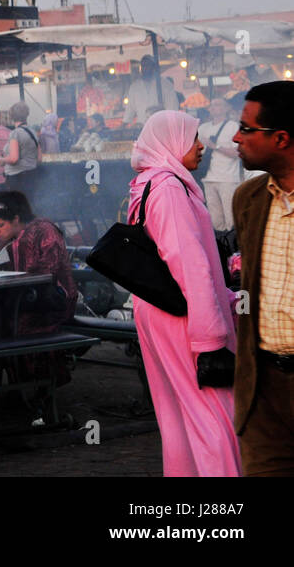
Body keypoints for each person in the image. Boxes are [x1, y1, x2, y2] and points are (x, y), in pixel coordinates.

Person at [126, 110, 241, 477]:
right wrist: (211, 337)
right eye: (193, 138)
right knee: (213, 412)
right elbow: (188, 264)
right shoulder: (170, 188)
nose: (202, 145)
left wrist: (225, 296)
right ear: (172, 142)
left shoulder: (148, 182)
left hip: (156, 308)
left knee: (176, 412)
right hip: (182, 315)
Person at [231, 81, 294, 476]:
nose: (236, 137)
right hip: (264, 388)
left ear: (282, 138)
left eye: (247, 129)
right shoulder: (249, 199)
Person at [0, 190, 78, 336]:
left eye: (0, 225)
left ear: (16, 219)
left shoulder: (45, 232)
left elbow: (47, 273)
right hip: (17, 299)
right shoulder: (1, 238)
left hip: (48, 303)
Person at [197, 97, 243, 234]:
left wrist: (215, 146)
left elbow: (238, 152)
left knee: (232, 219)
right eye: (211, 105)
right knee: (215, 220)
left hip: (227, 179)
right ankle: (223, 248)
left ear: (226, 108)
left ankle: (235, 251)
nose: (213, 108)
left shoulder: (233, 126)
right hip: (208, 178)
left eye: (217, 105)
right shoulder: (202, 128)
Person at [0, 102, 40, 197]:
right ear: (26, 115)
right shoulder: (33, 132)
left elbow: (14, 159)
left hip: (17, 179)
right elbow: (39, 158)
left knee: (17, 209)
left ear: (12, 116)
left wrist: (2, 160)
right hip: (32, 176)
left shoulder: (15, 133)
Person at [124, 54, 179, 127]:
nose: (145, 68)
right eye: (143, 66)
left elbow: (172, 108)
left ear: (154, 67)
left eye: (148, 66)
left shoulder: (165, 84)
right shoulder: (134, 87)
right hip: (141, 128)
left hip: (161, 126)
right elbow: (129, 109)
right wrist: (124, 124)